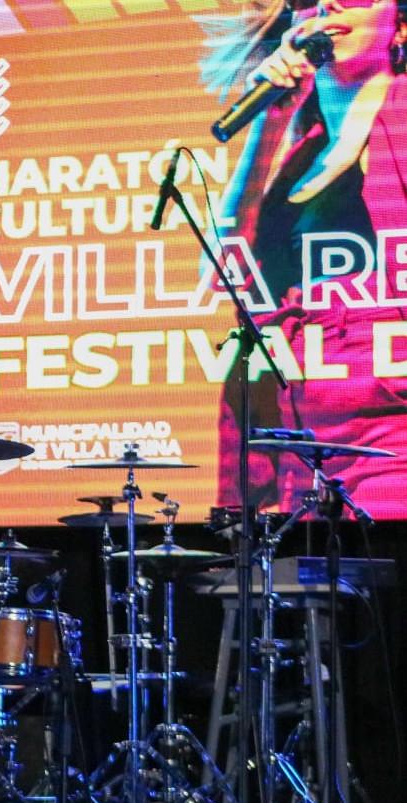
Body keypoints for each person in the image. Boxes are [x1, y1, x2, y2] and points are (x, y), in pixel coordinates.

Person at [205, 0, 407, 515]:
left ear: (399, 23)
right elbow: (221, 273)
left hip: (391, 448)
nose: (327, 5)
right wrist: (268, 126)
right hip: (301, 455)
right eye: (304, 2)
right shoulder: (300, 162)